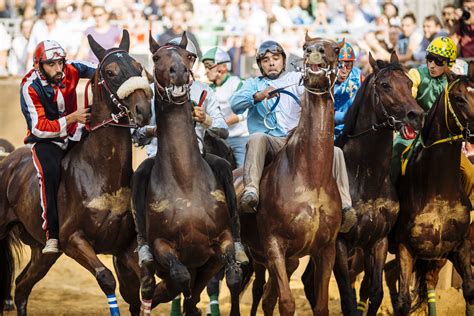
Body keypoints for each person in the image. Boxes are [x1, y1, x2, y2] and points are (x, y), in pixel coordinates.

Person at [132, 36, 248, 266]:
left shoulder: (204, 91)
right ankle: (143, 242)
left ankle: (235, 239)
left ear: (190, 61)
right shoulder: (150, 92)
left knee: (224, 167)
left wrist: (206, 120)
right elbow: (136, 134)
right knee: (139, 176)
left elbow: (223, 131)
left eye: (187, 58)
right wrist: (153, 130)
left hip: (199, 155)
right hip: (159, 158)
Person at [229, 40, 357, 233]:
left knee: (336, 152)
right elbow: (236, 104)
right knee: (256, 138)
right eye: (265, 60)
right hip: (271, 142)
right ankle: (251, 191)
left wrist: (349, 117)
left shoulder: (298, 79)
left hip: (297, 142)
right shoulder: (253, 84)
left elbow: (318, 94)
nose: (271, 63)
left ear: (283, 60)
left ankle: (346, 207)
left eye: (275, 58)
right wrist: (259, 95)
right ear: (260, 64)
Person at [20, 40, 95, 253]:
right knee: (50, 173)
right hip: (45, 140)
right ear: (39, 66)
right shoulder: (29, 86)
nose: (58, 69)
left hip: (73, 133)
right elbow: (38, 128)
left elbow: (101, 67)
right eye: (51, 65)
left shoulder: (71, 69)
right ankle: (51, 234)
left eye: (60, 63)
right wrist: (72, 118)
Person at [391, 36, 474, 207]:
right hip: (414, 133)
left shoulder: (453, 82)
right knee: (394, 160)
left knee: (470, 172)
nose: (432, 65)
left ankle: (470, 211)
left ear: (449, 64)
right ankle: (391, 202)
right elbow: (409, 95)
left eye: (438, 60)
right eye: (430, 58)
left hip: (443, 138)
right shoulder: (416, 74)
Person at [202, 46, 248, 168]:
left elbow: (243, 113)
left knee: (243, 175)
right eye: (205, 67)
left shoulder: (237, 83)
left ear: (223, 67)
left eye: (209, 66)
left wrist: (220, 124)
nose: (206, 71)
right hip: (216, 139)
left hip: (238, 138)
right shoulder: (207, 89)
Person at [334, 41, 364, 139]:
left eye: (348, 65)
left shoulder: (359, 77)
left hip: (350, 130)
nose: (344, 70)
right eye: (340, 65)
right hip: (326, 127)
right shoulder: (322, 79)